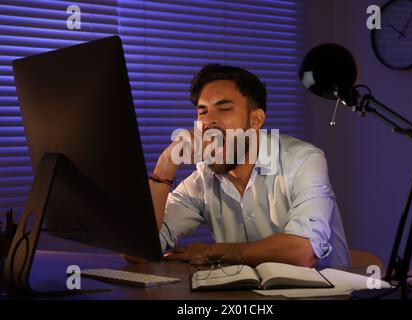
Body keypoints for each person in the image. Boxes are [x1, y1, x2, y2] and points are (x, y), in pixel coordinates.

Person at [125, 64, 351, 268]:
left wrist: (212, 252)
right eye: (202, 111)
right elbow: (137, 252)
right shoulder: (204, 178)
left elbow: (302, 253)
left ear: (256, 120)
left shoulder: (304, 160)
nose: (208, 121)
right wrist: (165, 167)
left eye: (223, 109)